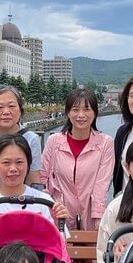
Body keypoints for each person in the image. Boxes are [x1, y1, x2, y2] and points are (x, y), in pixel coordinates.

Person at [0, 134, 69, 256]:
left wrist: (57, 222)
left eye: (19, 162)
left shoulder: (44, 201)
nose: (13, 168)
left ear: (28, 164)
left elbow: (62, 252)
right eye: (6, 162)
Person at [40, 88, 114, 231]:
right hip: (58, 211)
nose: (81, 115)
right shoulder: (54, 141)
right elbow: (43, 177)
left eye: (87, 109)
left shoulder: (105, 143)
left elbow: (102, 183)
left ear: (95, 113)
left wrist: (98, 215)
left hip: (90, 211)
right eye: (75, 110)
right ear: (68, 112)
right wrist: (47, 206)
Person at [0, 85, 42, 184]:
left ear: (20, 110)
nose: (6, 112)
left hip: (16, 193)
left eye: (11, 106)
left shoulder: (31, 139)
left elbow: (33, 180)